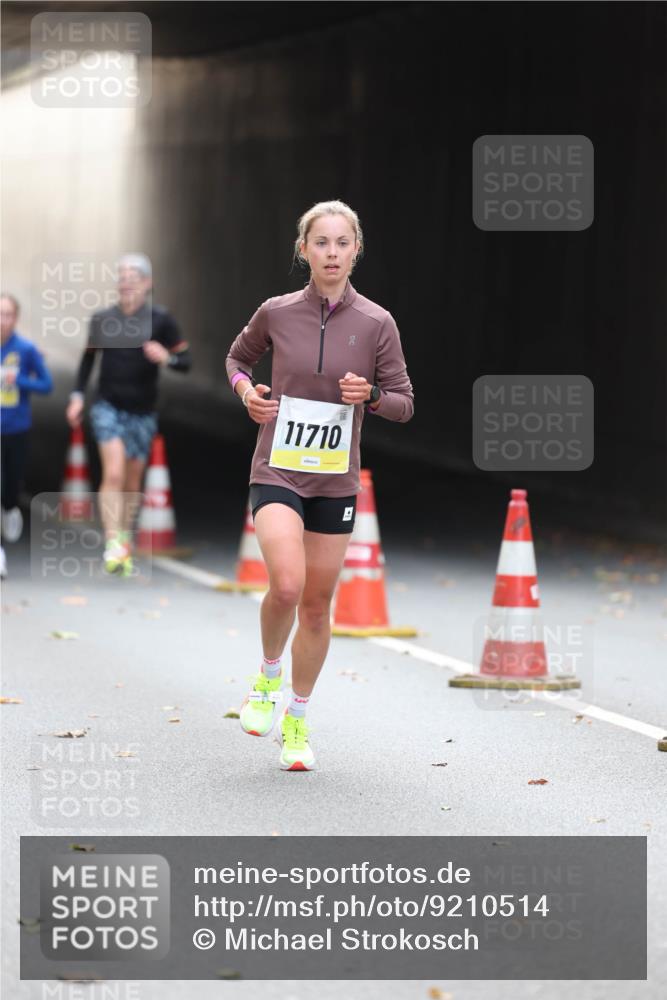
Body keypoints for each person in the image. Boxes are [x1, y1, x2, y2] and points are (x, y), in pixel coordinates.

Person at [226, 200, 414, 771]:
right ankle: (267, 679)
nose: (332, 253)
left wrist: (371, 397)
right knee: (286, 585)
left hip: (334, 482)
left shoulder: (377, 322)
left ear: (356, 251)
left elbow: (404, 403)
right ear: (303, 249)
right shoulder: (277, 311)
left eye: (342, 243)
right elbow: (238, 360)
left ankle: (298, 719)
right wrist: (248, 394)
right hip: (277, 469)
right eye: (321, 242)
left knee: (315, 606)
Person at [65, 254, 191, 575]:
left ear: (147, 283)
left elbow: (185, 361)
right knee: (114, 474)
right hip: (107, 407)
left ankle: (123, 538)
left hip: (143, 412)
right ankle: (112, 542)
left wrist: (166, 358)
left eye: (133, 277)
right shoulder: (103, 319)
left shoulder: (161, 320)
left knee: (133, 481)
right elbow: (88, 360)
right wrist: (77, 397)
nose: (125, 282)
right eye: (121, 277)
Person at [1, 293, 53, 577]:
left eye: (7, 314)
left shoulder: (25, 349)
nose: (2, 320)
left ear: (16, 318)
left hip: (16, 429)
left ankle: (10, 508)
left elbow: (46, 385)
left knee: (10, 488)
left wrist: (17, 380)